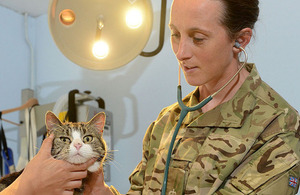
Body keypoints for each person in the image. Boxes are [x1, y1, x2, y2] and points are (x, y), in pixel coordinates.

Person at [2, 0, 300, 194]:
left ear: (240, 39)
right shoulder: (168, 121)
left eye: (198, 38)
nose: (181, 53)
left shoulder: (278, 127)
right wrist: (99, 191)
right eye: (174, 34)